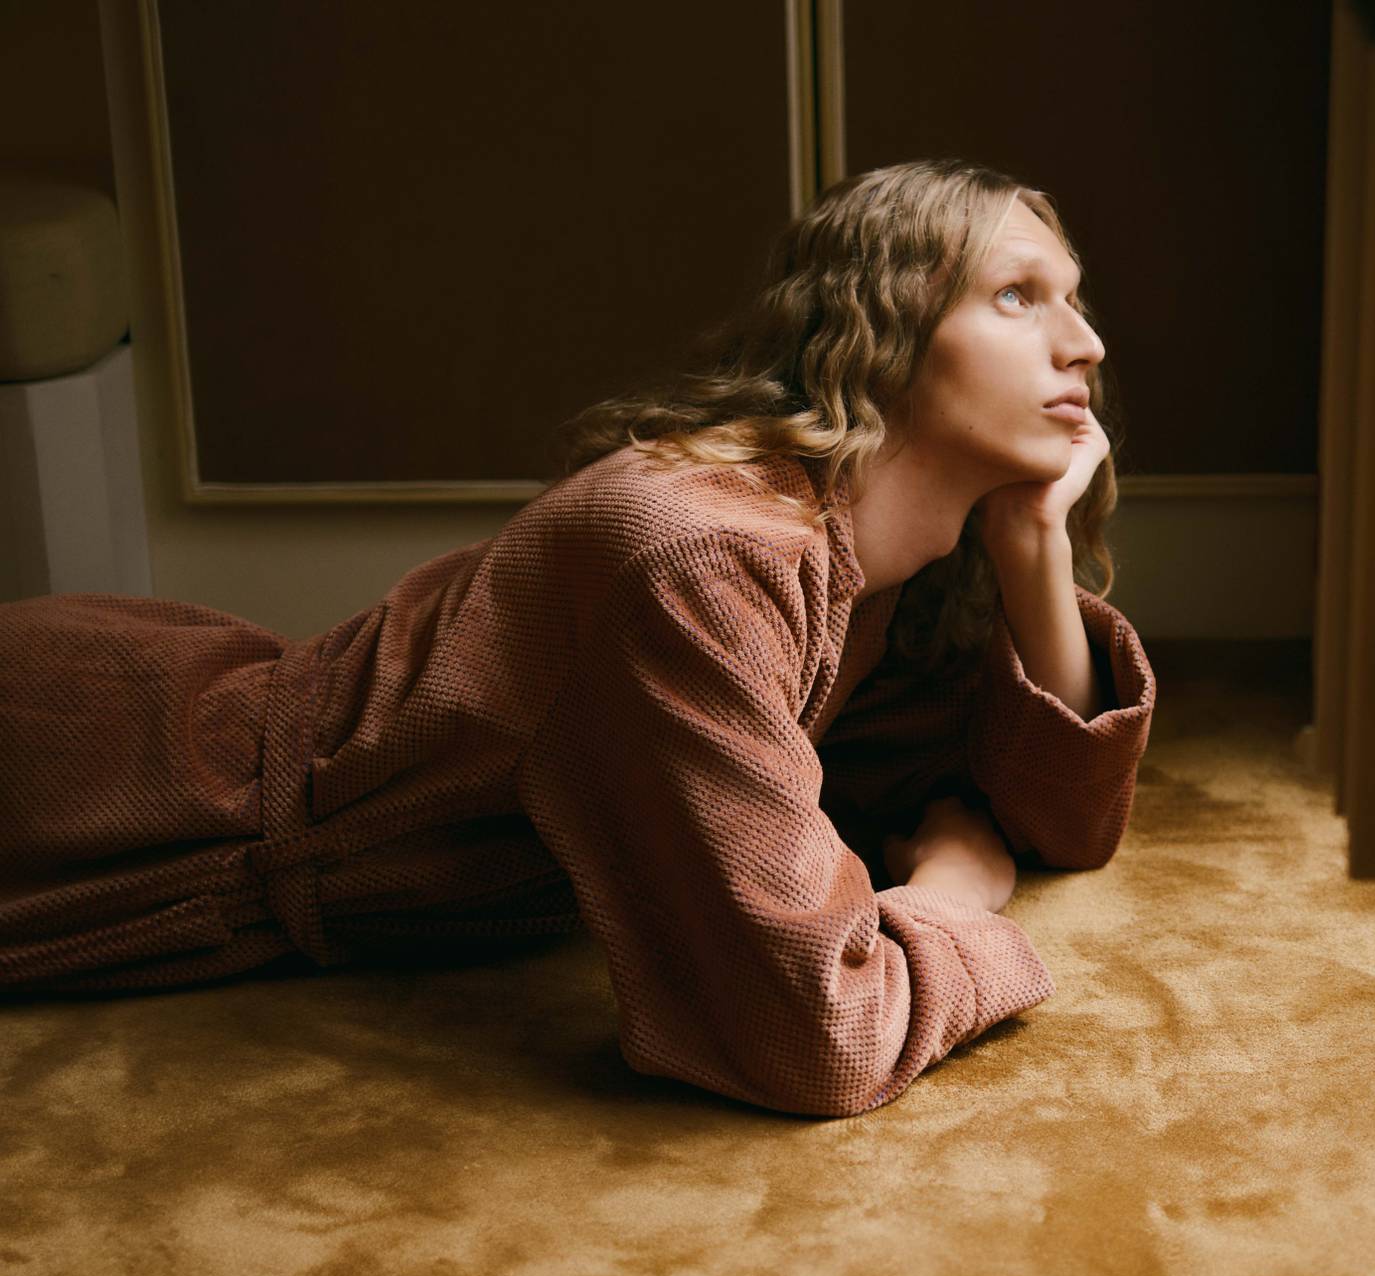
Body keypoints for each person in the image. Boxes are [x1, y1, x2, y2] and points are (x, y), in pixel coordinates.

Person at [0, 158, 1157, 1117]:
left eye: (1077, 296)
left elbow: (1055, 818)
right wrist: (955, 896)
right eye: (1019, 295)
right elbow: (816, 1029)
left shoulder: (881, 572)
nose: (1085, 343)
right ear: (885, 327)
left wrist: (1031, 550)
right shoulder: (704, 551)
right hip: (105, 775)